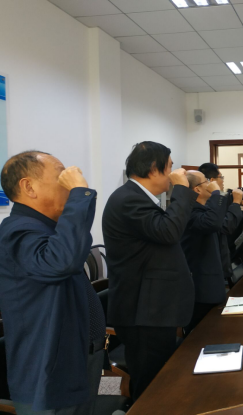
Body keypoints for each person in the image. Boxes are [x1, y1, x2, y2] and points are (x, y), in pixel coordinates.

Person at [0, 151, 104, 414]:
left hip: (76, 358)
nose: (68, 184)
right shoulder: (17, 231)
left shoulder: (48, 228)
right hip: (50, 375)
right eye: (61, 177)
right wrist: (80, 193)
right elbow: (61, 262)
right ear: (28, 187)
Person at [102, 142, 197, 403]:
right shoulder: (128, 198)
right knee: (151, 385)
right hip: (143, 312)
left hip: (152, 310)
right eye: (170, 167)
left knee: (158, 379)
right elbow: (169, 231)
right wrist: (181, 189)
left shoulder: (138, 197)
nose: (173, 173)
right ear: (154, 169)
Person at [181, 171, 243, 336]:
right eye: (206, 181)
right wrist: (217, 193)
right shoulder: (190, 211)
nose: (211, 183)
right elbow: (213, 222)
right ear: (197, 189)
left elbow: (221, 225)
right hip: (201, 286)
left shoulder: (205, 210)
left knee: (214, 331)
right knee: (201, 333)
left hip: (212, 280)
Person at [199, 162, 241, 286]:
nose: (223, 181)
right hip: (210, 267)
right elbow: (225, 227)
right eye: (221, 177)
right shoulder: (211, 204)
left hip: (220, 260)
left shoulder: (216, 201)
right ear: (212, 181)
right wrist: (236, 203)